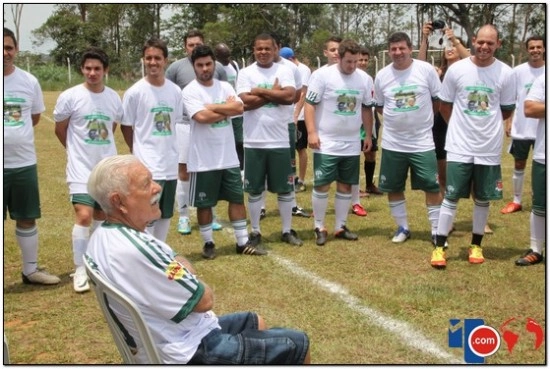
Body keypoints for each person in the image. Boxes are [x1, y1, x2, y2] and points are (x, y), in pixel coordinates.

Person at [85, 154, 311, 364]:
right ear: (119, 201)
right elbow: (203, 300)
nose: (157, 188)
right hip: (187, 351)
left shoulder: (105, 236)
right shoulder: (134, 249)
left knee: (255, 321)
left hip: (174, 337)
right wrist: (187, 273)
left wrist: (180, 269)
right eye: (146, 184)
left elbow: (174, 260)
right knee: (297, 344)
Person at [432, 25, 516, 268]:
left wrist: (484, 126)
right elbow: (444, 106)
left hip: (488, 147)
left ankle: (476, 245)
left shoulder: (506, 73)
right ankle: (439, 247)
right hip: (459, 145)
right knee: (451, 195)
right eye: (481, 42)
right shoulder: (457, 69)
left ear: (498, 44)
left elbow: (506, 109)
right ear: (473, 41)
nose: (484, 47)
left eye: (490, 43)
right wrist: (461, 127)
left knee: (482, 198)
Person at [182, 45, 266, 258]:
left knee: (237, 199)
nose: (204, 68)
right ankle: (208, 243)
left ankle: (242, 242)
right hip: (203, 159)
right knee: (205, 203)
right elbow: (200, 118)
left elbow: (239, 108)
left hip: (228, 157)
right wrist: (222, 110)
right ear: (194, 66)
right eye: (200, 65)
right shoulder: (189, 90)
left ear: (214, 64)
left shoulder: (225, 87)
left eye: (208, 64)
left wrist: (210, 107)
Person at [53, 47, 123, 292]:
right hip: (80, 169)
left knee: (102, 217)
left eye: (97, 69)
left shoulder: (114, 97)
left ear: (105, 71)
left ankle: (97, 264)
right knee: (83, 216)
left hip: (105, 169)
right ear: (82, 69)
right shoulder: (70, 96)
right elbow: (60, 129)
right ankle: (80, 269)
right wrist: (74, 152)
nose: (92, 73)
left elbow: (111, 126)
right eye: (88, 68)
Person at [3, 27, 61, 285]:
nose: (5, 53)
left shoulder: (29, 81)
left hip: (23, 162)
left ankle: (30, 270)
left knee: (26, 217)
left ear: (16, 50)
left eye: (9, 47)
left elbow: (34, 117)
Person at [374, 32, 442, 245]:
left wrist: (422, 121)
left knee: (431, 186)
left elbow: (437, 101)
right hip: (393, 143)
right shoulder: (382, 75)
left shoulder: (426, 70)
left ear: (410, 48)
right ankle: (403, 227)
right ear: (389, 51)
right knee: (394, 187)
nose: (397, 52)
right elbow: (380, 105)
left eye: (401, 48)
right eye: (393, 49)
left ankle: (437, 231)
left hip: (422, 142)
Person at [304, 39, 374, 246]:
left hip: (352, 142)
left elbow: (366, 109)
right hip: (327, 142)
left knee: (345, 185)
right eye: (349, 62)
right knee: (323, 184)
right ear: (339, 58)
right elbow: (309, 105)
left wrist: (368, 135)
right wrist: (311, 132)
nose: (352, 66)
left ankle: (340, 227)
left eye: (356, 62)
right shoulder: (322, 76)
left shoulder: (364, 79)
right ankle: (319, 226)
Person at [236, 33, 303, 247]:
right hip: (254, 141)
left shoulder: (285, 70)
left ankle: (286, 230)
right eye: (259, 49)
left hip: (280, 140)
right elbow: (244, 103)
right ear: (253, 50)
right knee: (255, 189)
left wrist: (259, 91)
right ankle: (255, 231)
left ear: (275, 49)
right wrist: (272, 93)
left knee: (285, 188)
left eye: (267, 48)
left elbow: (290, 96)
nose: (263, 52)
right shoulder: (245, 73)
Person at [120, 38, 181, 243]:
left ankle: (161, 251)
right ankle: (148, 254)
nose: (153, 62)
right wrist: (137, 150)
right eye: (149, 58)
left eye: (157, 58)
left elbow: (175, 123)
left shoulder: (175, 91)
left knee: (165, 213)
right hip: (147, 164)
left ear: (165, 60)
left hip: (170, 163)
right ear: (143, 60)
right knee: (148, 213)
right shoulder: (135, 92)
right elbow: (126, 126)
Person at [166, 29, 227, 235]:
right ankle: (183, 216)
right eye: (190, 45)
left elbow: (228, 99)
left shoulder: (217, 68)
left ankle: (211, 213)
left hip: (210, 124)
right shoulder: (175, 68)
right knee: (183, 170)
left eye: (197, 44)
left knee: (209, 168)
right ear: (185, 47)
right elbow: (168, 95)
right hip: (184, 124)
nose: (193, 47)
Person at [418, 21, 474, 233]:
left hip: (463, 129)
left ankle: (480, 218)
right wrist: (425, 38)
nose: (450, 48)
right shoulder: (437, 72)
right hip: (440, 128)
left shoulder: (470, 71)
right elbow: (419, 64)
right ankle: (445, 220)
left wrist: (452, 37)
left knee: (470, 175)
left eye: (453, 46)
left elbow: (469, 58)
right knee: (442, 176)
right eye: (447, 46)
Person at [501, 36, 545, 215]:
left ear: (544, 49)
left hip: (543, 128)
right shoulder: (517, 71)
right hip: (522, 127)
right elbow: (512, 98)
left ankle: (540, 199)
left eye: (539, 47)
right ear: (527, 50)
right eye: (532, 47)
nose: (535, 50)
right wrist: (509, 121)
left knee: (543, 165)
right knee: (519, 163)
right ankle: (516, 201)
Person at [514, 74, 545, 266]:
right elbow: (530, 108)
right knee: (540, 205)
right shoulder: (544, 79)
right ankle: (536, 249)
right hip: (544, 154)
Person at [349, 47, 381, 218]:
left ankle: (370, 184)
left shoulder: (368, 79)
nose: (362, 63)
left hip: (370, 117)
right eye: (359, 59)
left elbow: (372, 101)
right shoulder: (349, 77)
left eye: (365, 60)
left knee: (371, 153)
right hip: (354, 118)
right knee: (354, 155)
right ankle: (355, 190)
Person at [280, 46, 311, 194]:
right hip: (289, 116)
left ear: (291, 59)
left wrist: (296, 114)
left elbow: (303, 94)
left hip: (301, 117)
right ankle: (289, 178)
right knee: (289, 148)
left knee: (300, 148)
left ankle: (302, 180)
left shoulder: (302, 70)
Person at [214, 43, 244, 175]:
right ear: (217, 56)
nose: (227, 59)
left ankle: (242, 170)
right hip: (223, 110)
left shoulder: (234, 65)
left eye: (228, 55)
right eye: (224, 56)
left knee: (239, 142)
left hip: (236, 112)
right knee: (224, 141)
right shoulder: (215, 68)